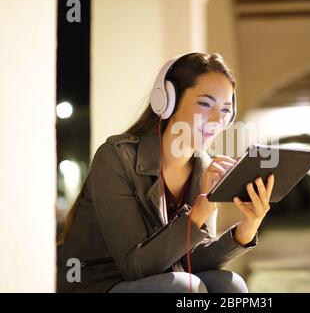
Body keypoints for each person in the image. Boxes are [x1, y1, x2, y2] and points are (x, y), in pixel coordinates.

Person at [56, 52, 275, 293]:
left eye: (225, 109)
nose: (217, 119)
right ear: (167, 101)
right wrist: (200, 210)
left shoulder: (203, 166)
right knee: (185, 287)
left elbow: (190, 259)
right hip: (97, 284)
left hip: (160, 280)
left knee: (229, 284)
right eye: (204, 104)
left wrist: (247, 228)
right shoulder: (116, 157)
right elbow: (134, 266)